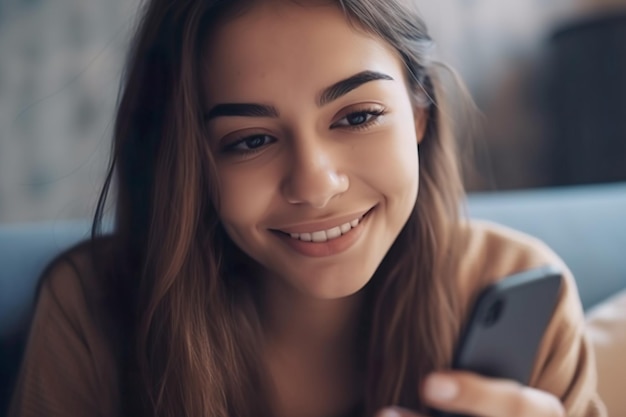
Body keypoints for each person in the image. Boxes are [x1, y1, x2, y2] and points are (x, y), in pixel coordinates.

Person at [8, 0, 606, 416]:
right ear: (188, 164)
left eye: (357, 116)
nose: (315, 186)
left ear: (420, 113)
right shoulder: (92, 309)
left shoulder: (520, 285)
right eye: (250, 140)